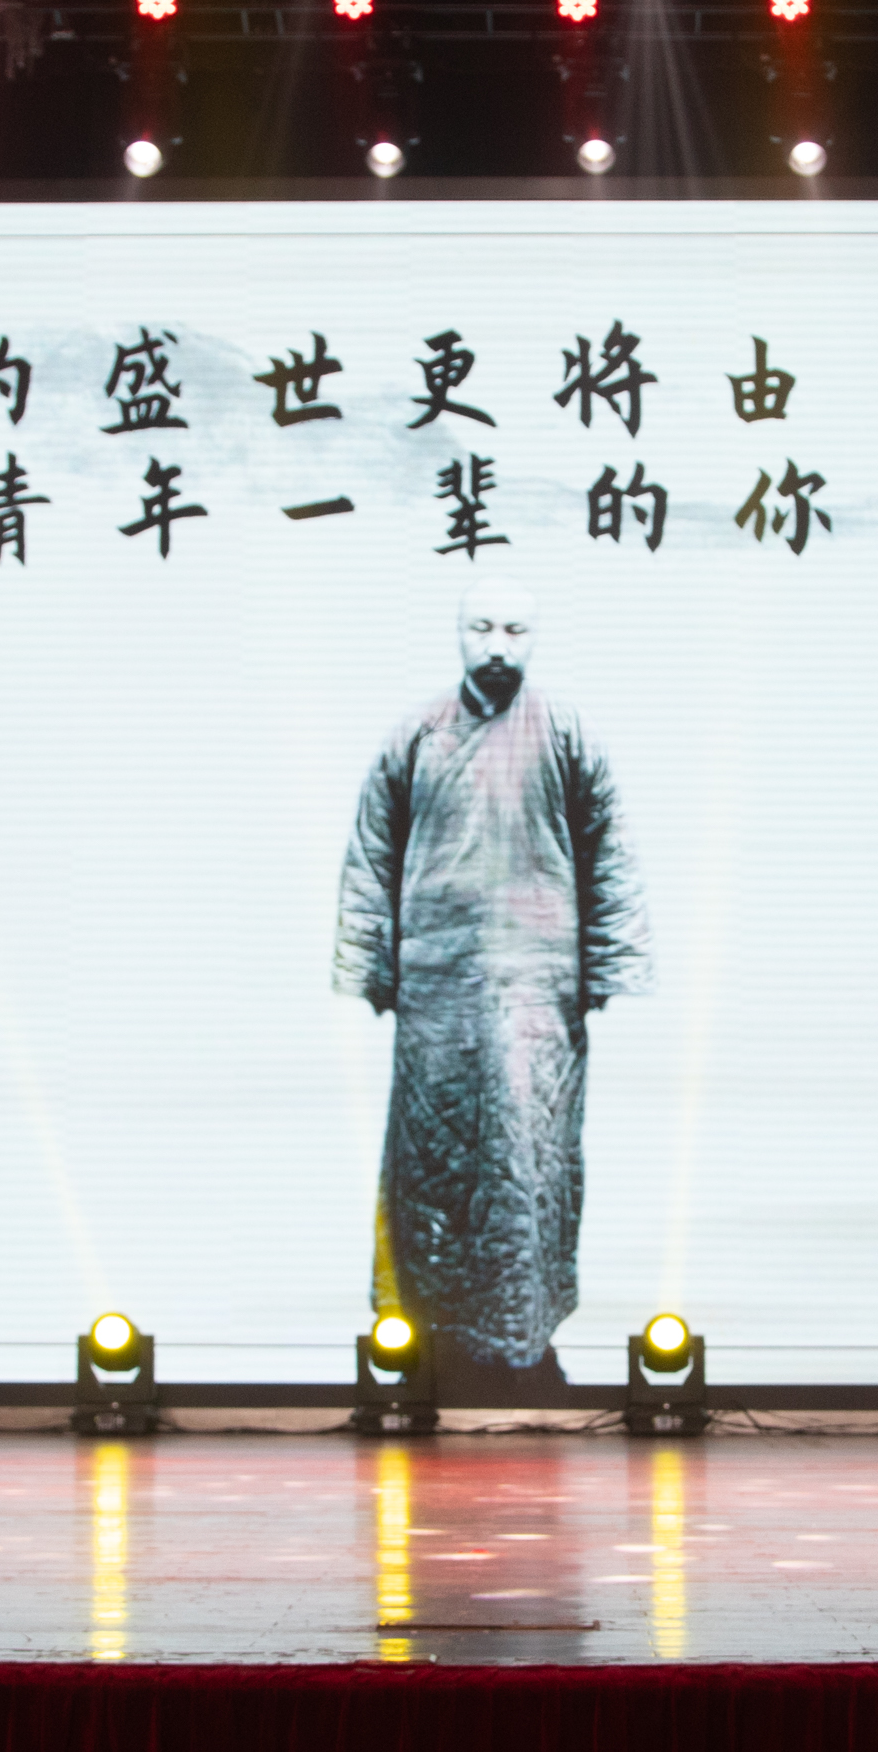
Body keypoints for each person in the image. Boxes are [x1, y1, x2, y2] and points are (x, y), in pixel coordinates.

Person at [333, 575, 649, 1385]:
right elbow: (372, 855)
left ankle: (520, 1340)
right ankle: (425, 1332)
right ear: (458, 632)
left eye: (514, 629)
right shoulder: (417, 735)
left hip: (539, 993)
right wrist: (368, 965)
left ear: (534, 637)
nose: (498, 645)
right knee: (429, 1162)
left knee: (530, 1162)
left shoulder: (566, 734)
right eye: (482, 627)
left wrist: (607, 965)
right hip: (436, 990)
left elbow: (607, 852)